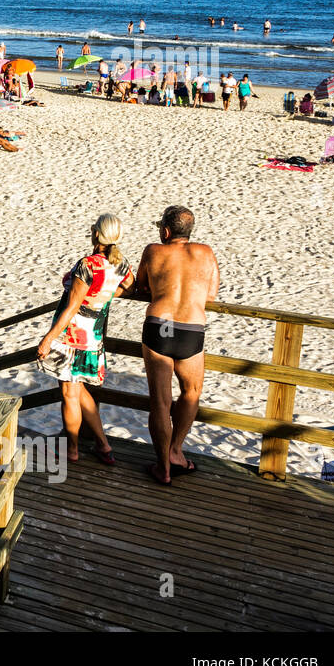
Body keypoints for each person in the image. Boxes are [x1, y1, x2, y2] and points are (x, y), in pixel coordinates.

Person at [36, 214, 134, 464]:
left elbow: (72, 306)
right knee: (79, 390)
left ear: (96, 234)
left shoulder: (88, 265)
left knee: (69, 392)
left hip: (72, 334)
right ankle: (103, 445)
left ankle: (72, 449)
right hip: (93, 333)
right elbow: (130, 287)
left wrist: (48, 338)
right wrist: (105, 298)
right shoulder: (121, 265)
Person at [133, 206, 219, 485]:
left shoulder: (153, 251)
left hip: (161, 324)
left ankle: (163, 469)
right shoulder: (206, 252)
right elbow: (212, 294)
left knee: (160, 402)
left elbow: (141, 287)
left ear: (166, 232)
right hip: (190, 329)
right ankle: (176, 452)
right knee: (191, 393)